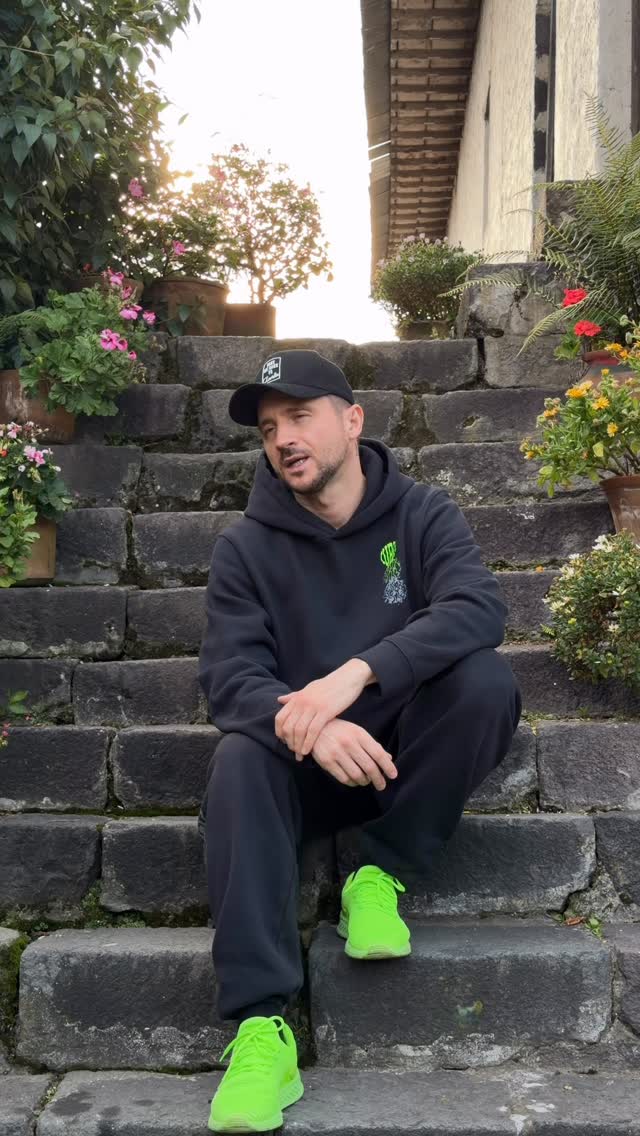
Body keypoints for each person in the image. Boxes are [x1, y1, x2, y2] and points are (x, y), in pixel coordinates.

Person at [197, 349, 521, 1132]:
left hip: (401, 759)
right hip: (302, 770)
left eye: (299, 416)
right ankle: (261, 1030)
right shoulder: (245, 548)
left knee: (485, 682)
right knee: (237, 756)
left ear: (351, 420)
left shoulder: (421, 513)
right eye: (269, 429)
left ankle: (379, 873)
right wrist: (312, 728)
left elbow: (478, 608)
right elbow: (230, 678)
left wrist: (356, 674)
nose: (284, 438)